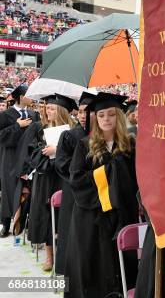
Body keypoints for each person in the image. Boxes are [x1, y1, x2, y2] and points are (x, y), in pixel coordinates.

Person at [64, 92, 139, 298]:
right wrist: (110, 171)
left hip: (121, 213)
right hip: (91, 216)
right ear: (95, 118)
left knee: (119, 262)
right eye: (102, 115)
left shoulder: (130, 145)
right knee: (91, 263)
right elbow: (76, 181)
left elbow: (136, 180)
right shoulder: (85, 145)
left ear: (119, 117)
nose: (106, 119)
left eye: (112, 115)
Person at [22, 93, 76, 271]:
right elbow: (31, 154)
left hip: (63, 178)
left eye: (52, 108)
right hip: (45, 178)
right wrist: (46, 151)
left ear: (61, 110)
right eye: (47, 107)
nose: (48, 110)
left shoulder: (72, 130)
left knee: (62, 217)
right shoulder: (39, 128)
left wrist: (57, 149)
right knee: (46, 217)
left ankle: (64, 257)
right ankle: (49, 257)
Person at [54, 91, 95, 275]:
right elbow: (61, 164)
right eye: (79, 112)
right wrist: (82, 172)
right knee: (70, 233)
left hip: (96, 195)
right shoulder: (70, 135)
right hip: (73, 192)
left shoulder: (103, 137)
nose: (83, 116)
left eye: (87, 111)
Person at [0, 85, 36, 237]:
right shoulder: (6, 115)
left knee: (26, 190)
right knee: (9, 191)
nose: (32, 98)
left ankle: (23, 222)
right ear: (21, 97)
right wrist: (17, 126)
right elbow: (1, 136)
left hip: (27, 159)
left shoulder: (34, 114)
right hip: (10, 157)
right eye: (30, 95)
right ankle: (6, 224)